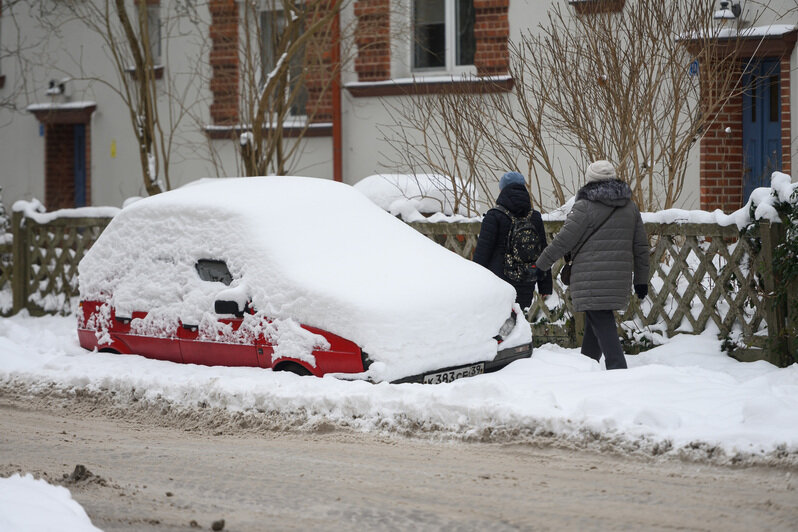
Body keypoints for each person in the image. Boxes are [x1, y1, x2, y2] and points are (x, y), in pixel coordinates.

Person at [533, 160, 649, 370]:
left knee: (602, 322)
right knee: (595, 324)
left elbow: (563, 241)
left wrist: (541, 265)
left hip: (590, 279)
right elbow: (640, 247)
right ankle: (587, 369)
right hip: (618, 280)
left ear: (589, 181)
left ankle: (618, 371)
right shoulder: (630, 208)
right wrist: (641, 281)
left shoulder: (584, 207)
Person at [473, 171, 552, 309]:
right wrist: (545, 287)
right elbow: (543, 252)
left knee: (500, 325)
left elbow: (482, 253)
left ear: (502, 189)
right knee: (519, 322)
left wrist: (473, 284)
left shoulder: (494, 216)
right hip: (527, 281)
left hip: (499, 283)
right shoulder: (534, 217)